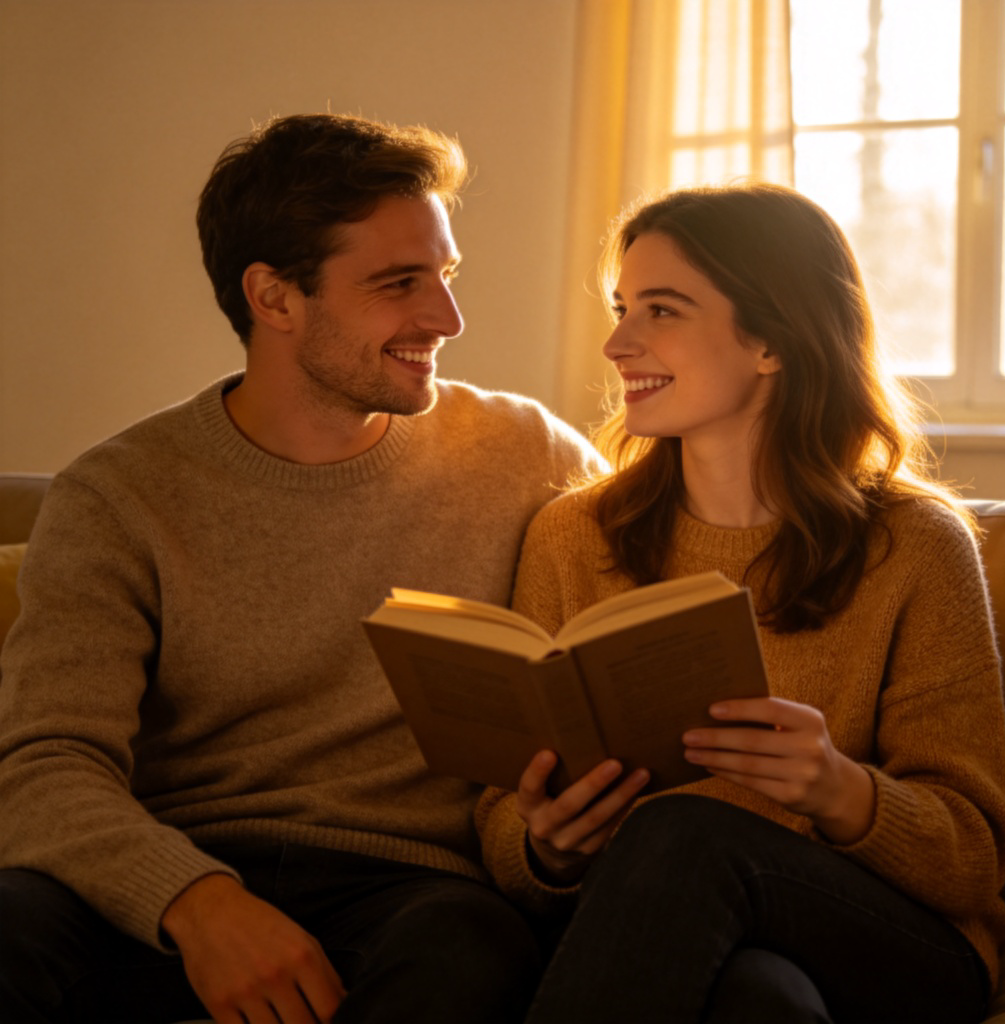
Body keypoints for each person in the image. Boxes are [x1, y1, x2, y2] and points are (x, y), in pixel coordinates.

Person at [0, 113, 601, 1024]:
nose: (447, 317)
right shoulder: (118, 493)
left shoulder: (523, 452)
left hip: (411, 889)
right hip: (166, 873)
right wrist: (197, 905)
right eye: (400, 283)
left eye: (444, 274)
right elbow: (45, 761)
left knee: (471, 951)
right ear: (274, 298)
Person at [475, 183, 1005, 1023]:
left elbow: (971, 857)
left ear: (770, 339)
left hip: (893, 943)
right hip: (668, 939)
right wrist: (542, 843)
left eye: (662, 309)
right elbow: (502, 815)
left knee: (684, 834)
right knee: (760, 1002)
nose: (618, 342)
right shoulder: (573, 536)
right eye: (623, 308)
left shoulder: (915, 544)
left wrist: (838, 788)